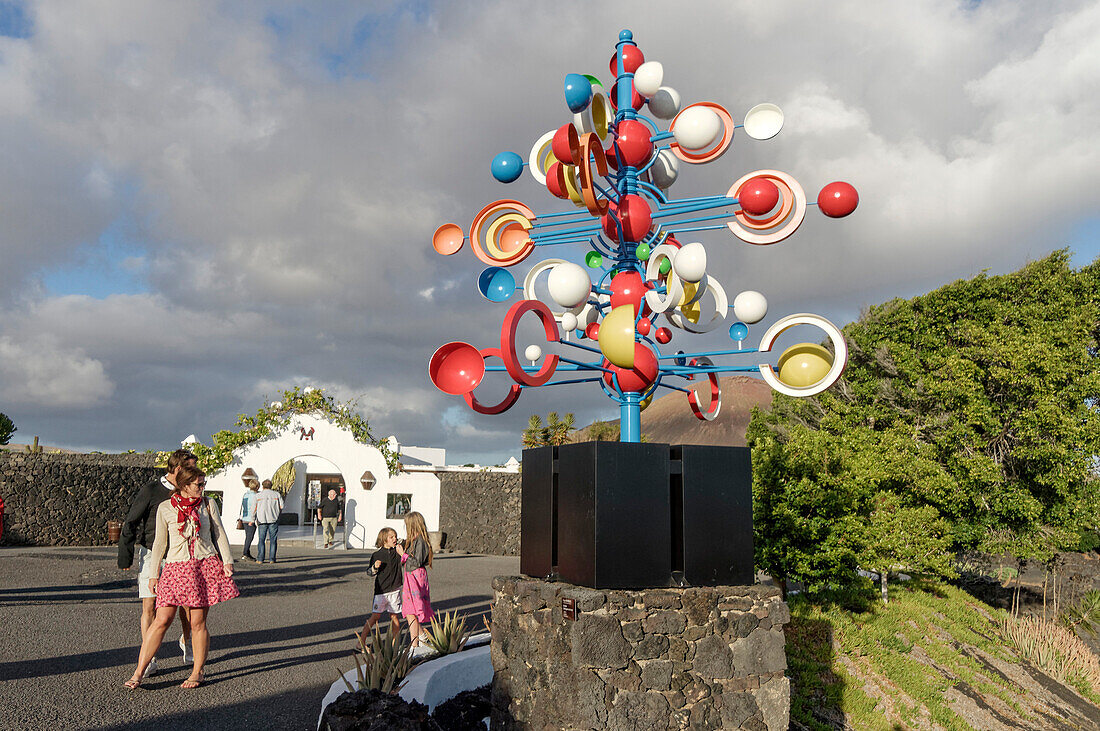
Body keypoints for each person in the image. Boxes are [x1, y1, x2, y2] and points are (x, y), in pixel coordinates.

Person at [124, 466, 238, 689]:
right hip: (174, 568)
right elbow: (159, 543)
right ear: (185, 485)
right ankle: (138, 672)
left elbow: (219, 533)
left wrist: (227, 561)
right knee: (162, 619)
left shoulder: (208, 504)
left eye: (204, 483)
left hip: (203, 566)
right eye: (199, 484)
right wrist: (153, 573)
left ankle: (197, 672)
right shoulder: (165, 508)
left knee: (197, 622)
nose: (203, 488)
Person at [117, 449, 195, 677]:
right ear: (178, 469)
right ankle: (149, 657)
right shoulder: (151, 491)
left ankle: (187, 640)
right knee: (149, 606)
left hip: (181, 556)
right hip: (153, 555)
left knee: (187, 606)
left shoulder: (189, 490)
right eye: (189, 469)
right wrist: (125, 554)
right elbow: (131, 521)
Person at [395, 511, 434, 647]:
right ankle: (422, 637)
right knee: (410, 611)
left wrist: (403, 555)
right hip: (411, 577)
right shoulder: (414, 540)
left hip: (416, 578)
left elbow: (416, 562)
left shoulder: (421, 541)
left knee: (411, 611)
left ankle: (414, 644)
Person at [361, 527, 403, 642]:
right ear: (384, 540)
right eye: (391, 537)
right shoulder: (377, 555)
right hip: (381, 591)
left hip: (395, 589)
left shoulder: (398, 552)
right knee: (375, 616)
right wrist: (375, 567)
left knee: (394, 617)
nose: (395, 538)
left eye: (395, 536)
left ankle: (395, 645)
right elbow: (369, 572)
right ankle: (361, 642)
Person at [254, 479, 284, 564]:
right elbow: (282, 506)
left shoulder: (258, 495)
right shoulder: (276, 494)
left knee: (261, 540)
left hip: (261, 519)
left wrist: (253, 519)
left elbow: (254, 508)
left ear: (262, 486)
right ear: (271, 486)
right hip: (273, 519)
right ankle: (272, 559)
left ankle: (260, 559)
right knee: (273, 540)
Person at [239, 479, 260, 561]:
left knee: (248, 536)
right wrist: (253, 519)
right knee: (249, 537)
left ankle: (247, 553)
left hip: (244, 518)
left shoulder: (245, 494)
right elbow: (254, 508)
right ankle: (245, 553)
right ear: (257, 487)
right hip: (250, 519)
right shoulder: (256, 496)